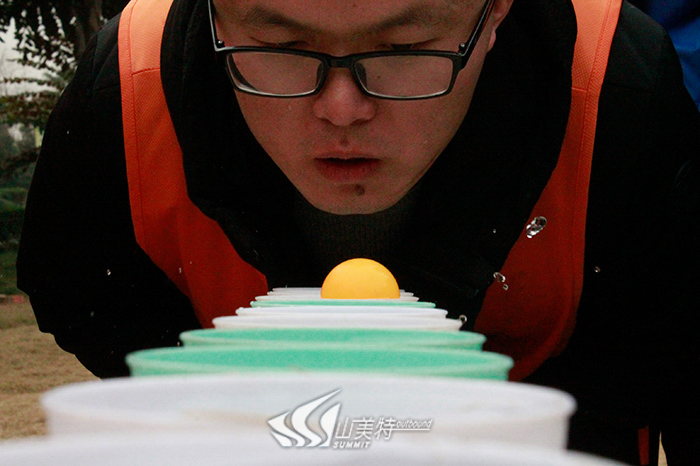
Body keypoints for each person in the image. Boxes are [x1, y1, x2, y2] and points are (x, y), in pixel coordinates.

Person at [16, 0, 700, 463]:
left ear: (496, 12)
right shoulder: (128, 84)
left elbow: (653, 352)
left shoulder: (616, 84)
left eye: (404, 47)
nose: (342, 109)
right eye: (280, 45)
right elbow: (85, 297)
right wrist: (244, 417)